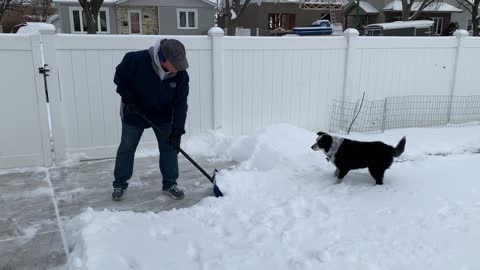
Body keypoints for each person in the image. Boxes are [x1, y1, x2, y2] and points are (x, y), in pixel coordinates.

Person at [111, 38, 189, 201]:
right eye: (174, 64)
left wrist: (178, 131)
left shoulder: (180, 75)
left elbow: (181, 103)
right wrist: (129, 99)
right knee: (127, 147)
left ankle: (170, 184)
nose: (177, 69)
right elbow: (120, 78)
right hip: (135, 111)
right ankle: (119, 183)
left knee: (169, 148)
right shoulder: (135, 60)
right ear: (162, 58)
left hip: (163, 114)